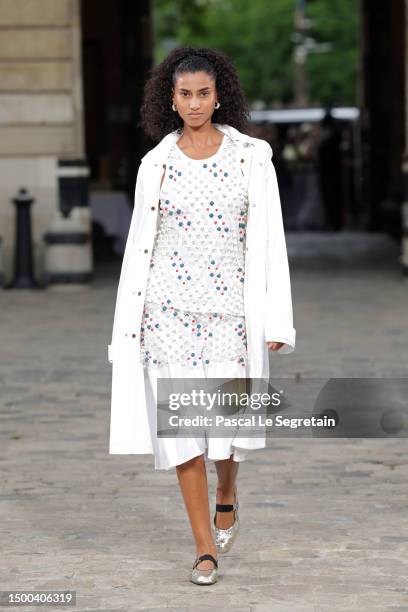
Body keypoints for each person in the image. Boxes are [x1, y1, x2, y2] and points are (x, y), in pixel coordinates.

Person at [108, 47, 296, 585]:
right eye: (185, 94)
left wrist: (277, 321)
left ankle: (228, 491)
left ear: (220, 96)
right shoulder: (156, 164)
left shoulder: (251, 158)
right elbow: (141, 244)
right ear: (170, 98)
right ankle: (204, 548)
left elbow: (270, 243)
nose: (194, 103)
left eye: (204, 93)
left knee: (225, 425)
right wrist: (131, 324)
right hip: (166, 314)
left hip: (230, 315)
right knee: (183, 431)